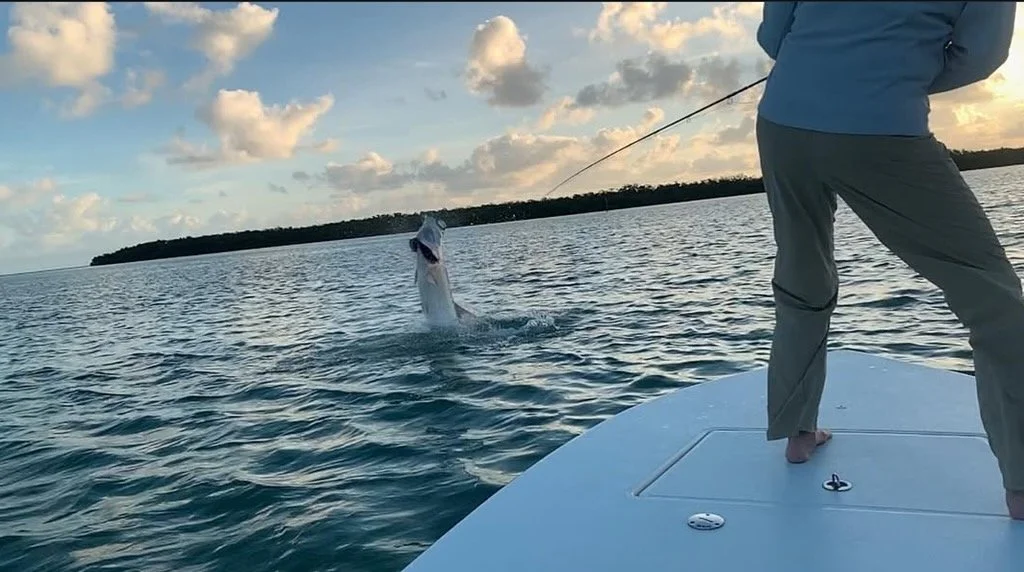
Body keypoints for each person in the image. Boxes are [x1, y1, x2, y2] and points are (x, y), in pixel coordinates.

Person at [754, 2, 1022, 519]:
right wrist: (897, 71)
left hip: (784, 123)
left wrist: (831, 62)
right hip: (882, 128)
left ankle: (797, 432)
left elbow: (774, 34)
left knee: (802, 276)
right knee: (993, 298)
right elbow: (981, 56)